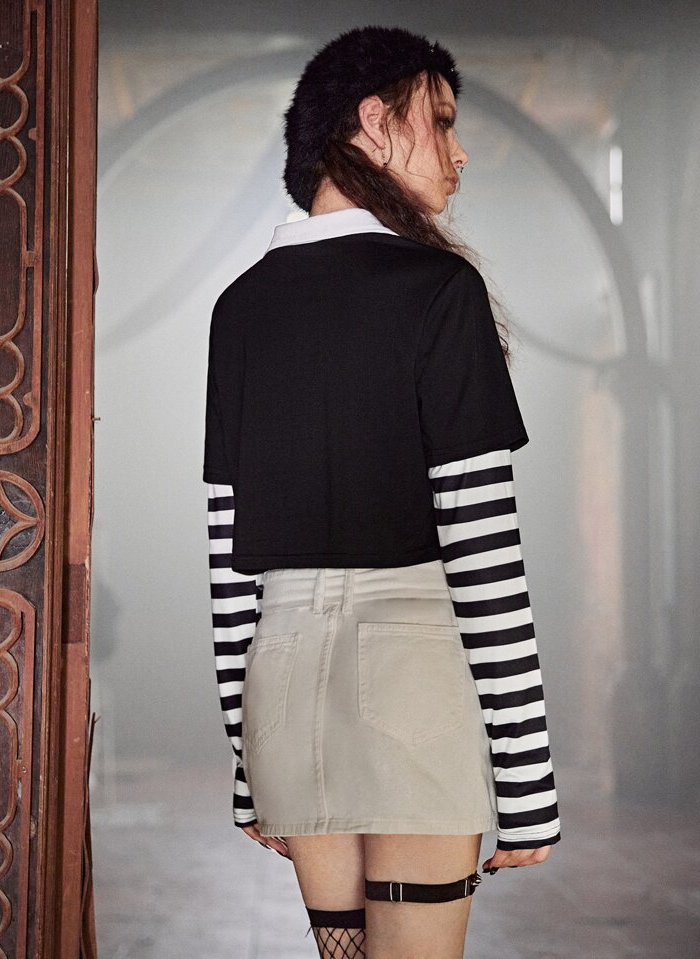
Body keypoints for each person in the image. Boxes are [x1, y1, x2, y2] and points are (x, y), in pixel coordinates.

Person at [204, 24, 561, 959]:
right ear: (374, 119)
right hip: (410, 679)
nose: (459, 150)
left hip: (284, 684)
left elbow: (229, 564)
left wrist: (248, 763)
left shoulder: (239, 306)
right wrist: (527, 783)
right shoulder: (438, 289)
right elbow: (483, 552)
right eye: (440, 120)